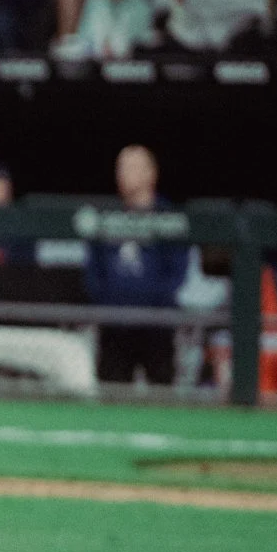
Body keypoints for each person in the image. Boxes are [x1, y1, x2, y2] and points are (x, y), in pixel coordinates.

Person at [84, 144, 189, 386]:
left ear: (151, 174)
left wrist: (151, 307)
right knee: (111, 395)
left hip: (157, 326)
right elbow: (93, 273)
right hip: (113, 326)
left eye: (133, 167)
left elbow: (177, 274)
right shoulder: (103, 216)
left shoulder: (169, 218)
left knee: (162, 396)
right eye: (121, 167)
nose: (124, 173)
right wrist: (110, 306)